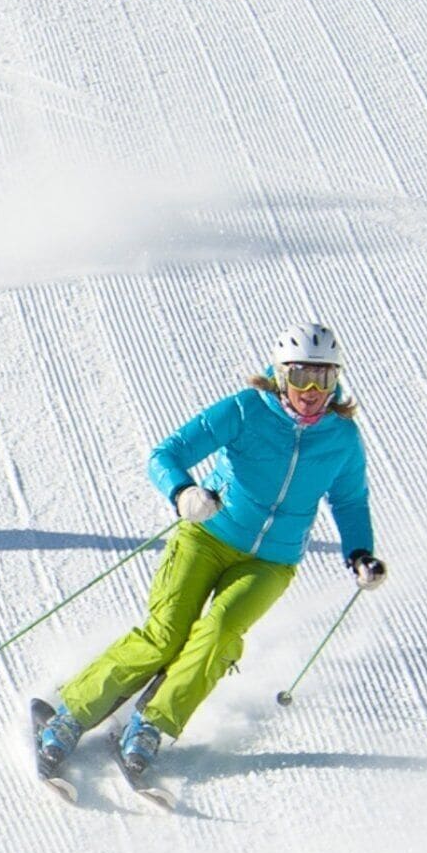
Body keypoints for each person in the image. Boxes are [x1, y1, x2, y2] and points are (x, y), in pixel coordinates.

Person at [37, 322, 385, 783]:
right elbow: (167, 454)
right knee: (166, 636)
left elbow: (350, 500)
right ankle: (69, 713)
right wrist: (183, 492)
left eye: (323, 377)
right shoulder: (245, 410)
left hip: (271, 561)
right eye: (300, 376)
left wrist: (360, 553)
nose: (311, 391)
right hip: (207, 537)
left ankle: (151, 724)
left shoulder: (342, 437)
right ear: (281, 374)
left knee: (219, 635)